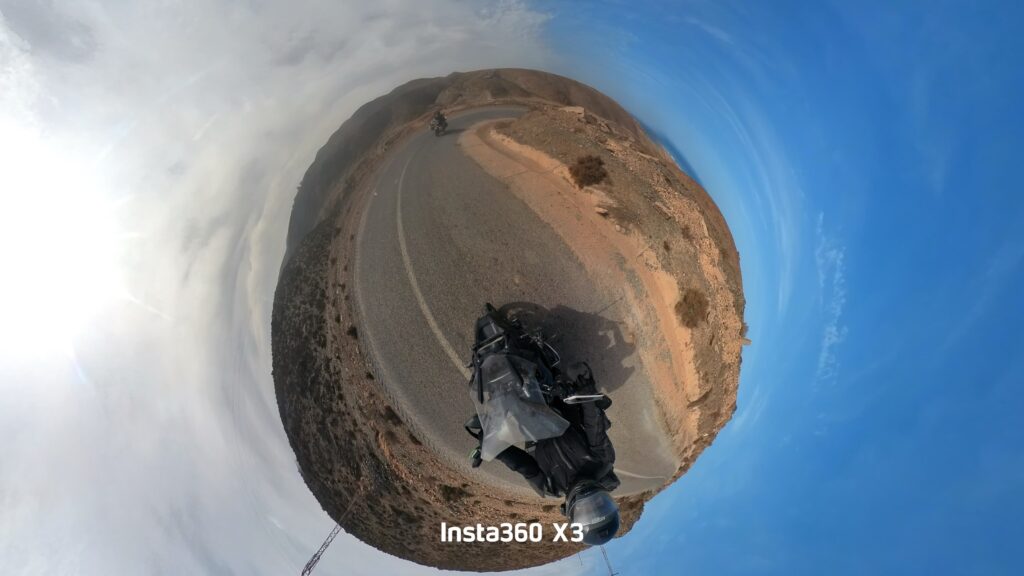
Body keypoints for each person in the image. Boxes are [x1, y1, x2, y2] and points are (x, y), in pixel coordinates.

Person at [466, 363, 621, 546]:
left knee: (495, 398)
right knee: (564, 381)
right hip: (562, 409)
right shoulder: (602, 461)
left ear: (572, 513)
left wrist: (494, 448)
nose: (590, 500)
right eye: (600, 504)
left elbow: (522, 465)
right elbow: (594, 427)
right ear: (608, 500)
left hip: (532, 425)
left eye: (587, 511)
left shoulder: (550, 487)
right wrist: (586, 390)